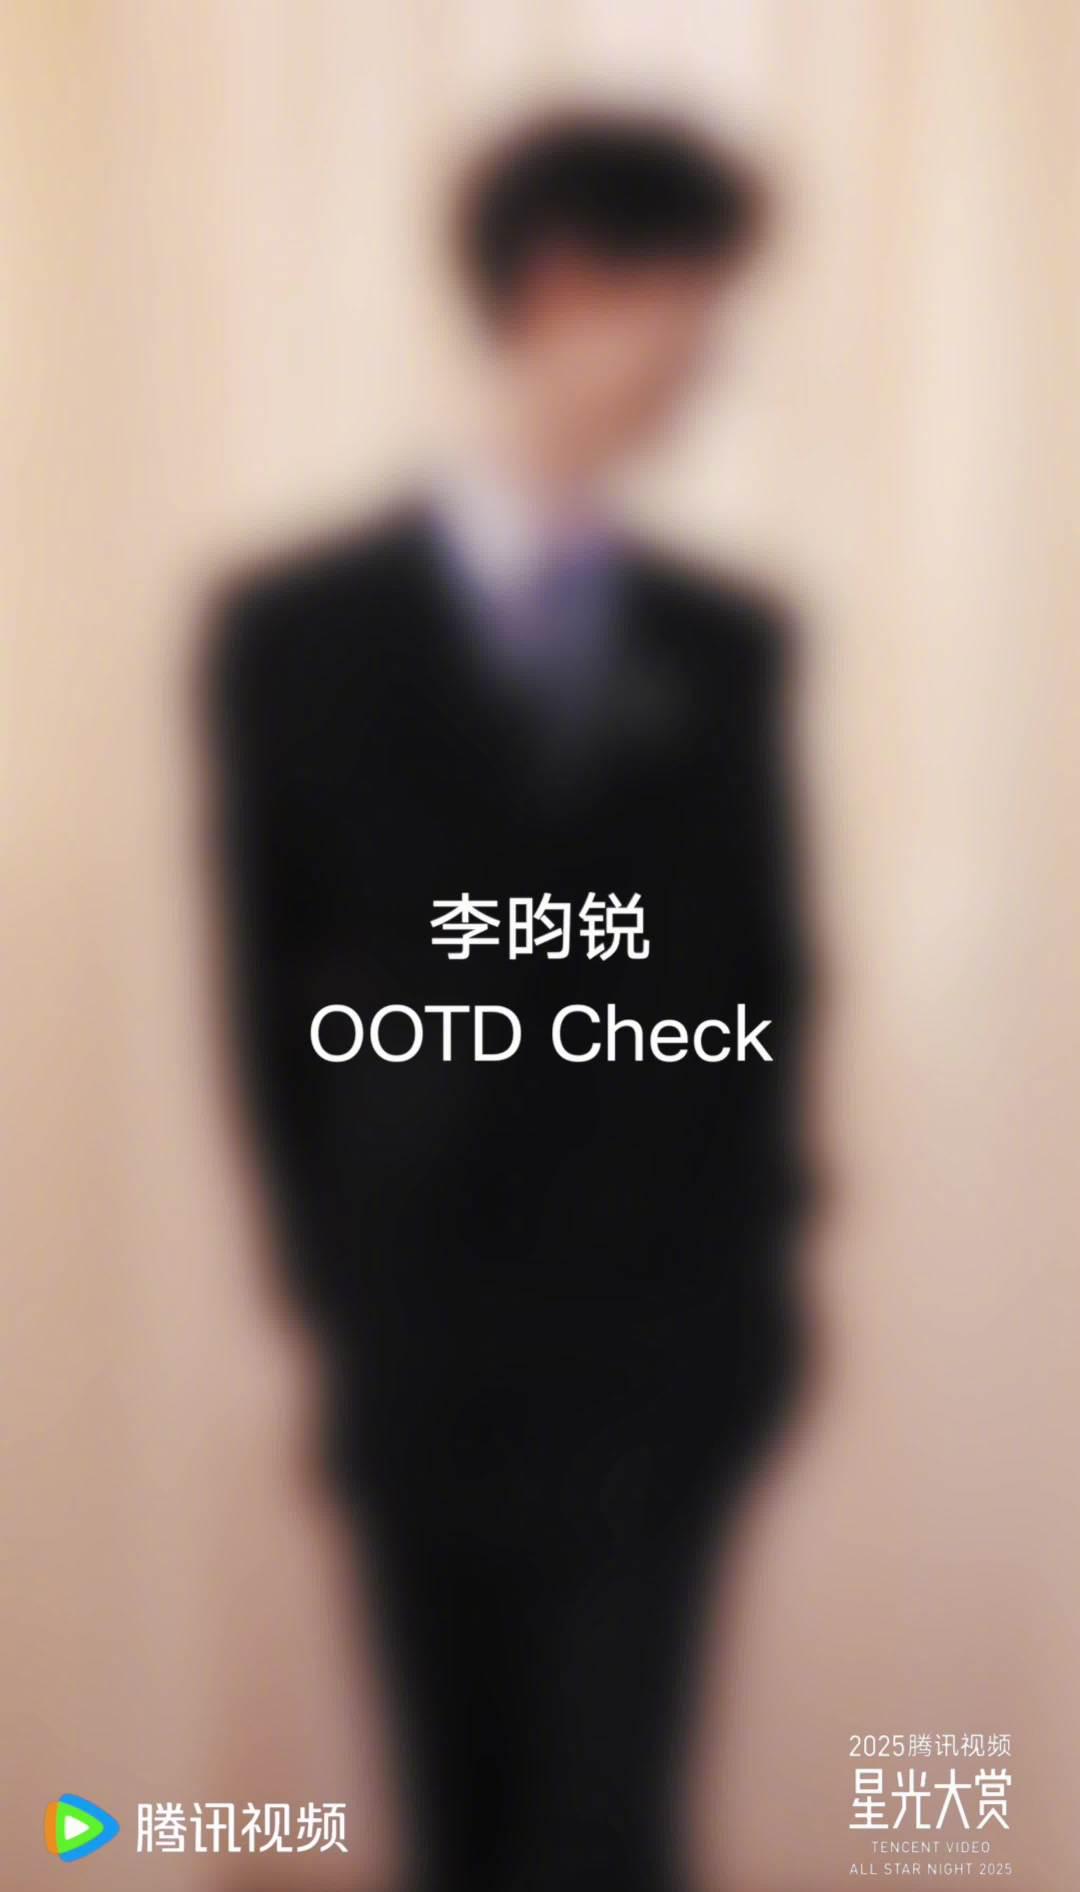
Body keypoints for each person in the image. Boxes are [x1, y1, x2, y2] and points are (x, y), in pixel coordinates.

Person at [207, 108, 810, 1892]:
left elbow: (763, 987)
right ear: (557, 285)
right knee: (459, 1823)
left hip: (664, 1348)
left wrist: (761, 1284)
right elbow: (269, 990)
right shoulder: (298, 634)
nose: (703, 352)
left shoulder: (723, 645)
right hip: (423, 1340)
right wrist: (340, 1284)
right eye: (683, 299)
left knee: (611, 1831)